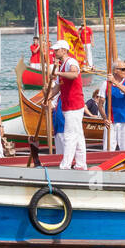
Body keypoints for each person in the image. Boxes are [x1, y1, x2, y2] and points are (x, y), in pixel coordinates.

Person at [49, 38, 86, 170]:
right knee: (78, 136)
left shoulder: (71, 61)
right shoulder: (61, 65)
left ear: (64, 50)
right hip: (67, 105)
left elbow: (74, 74)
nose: (54, 52)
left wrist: (57, 73)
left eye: (56, 50)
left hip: (74, 105)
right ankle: (81, 164)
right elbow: (58, 87)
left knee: (70, 135)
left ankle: (65, 166)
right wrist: (47, 98)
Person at [102, 59, 125, 151]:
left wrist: (115, 82)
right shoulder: (106, 84)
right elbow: (100, 104)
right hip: (111, 121)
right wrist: (104, 118)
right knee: (108, 149)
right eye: (123, 69)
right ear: (115, 70)